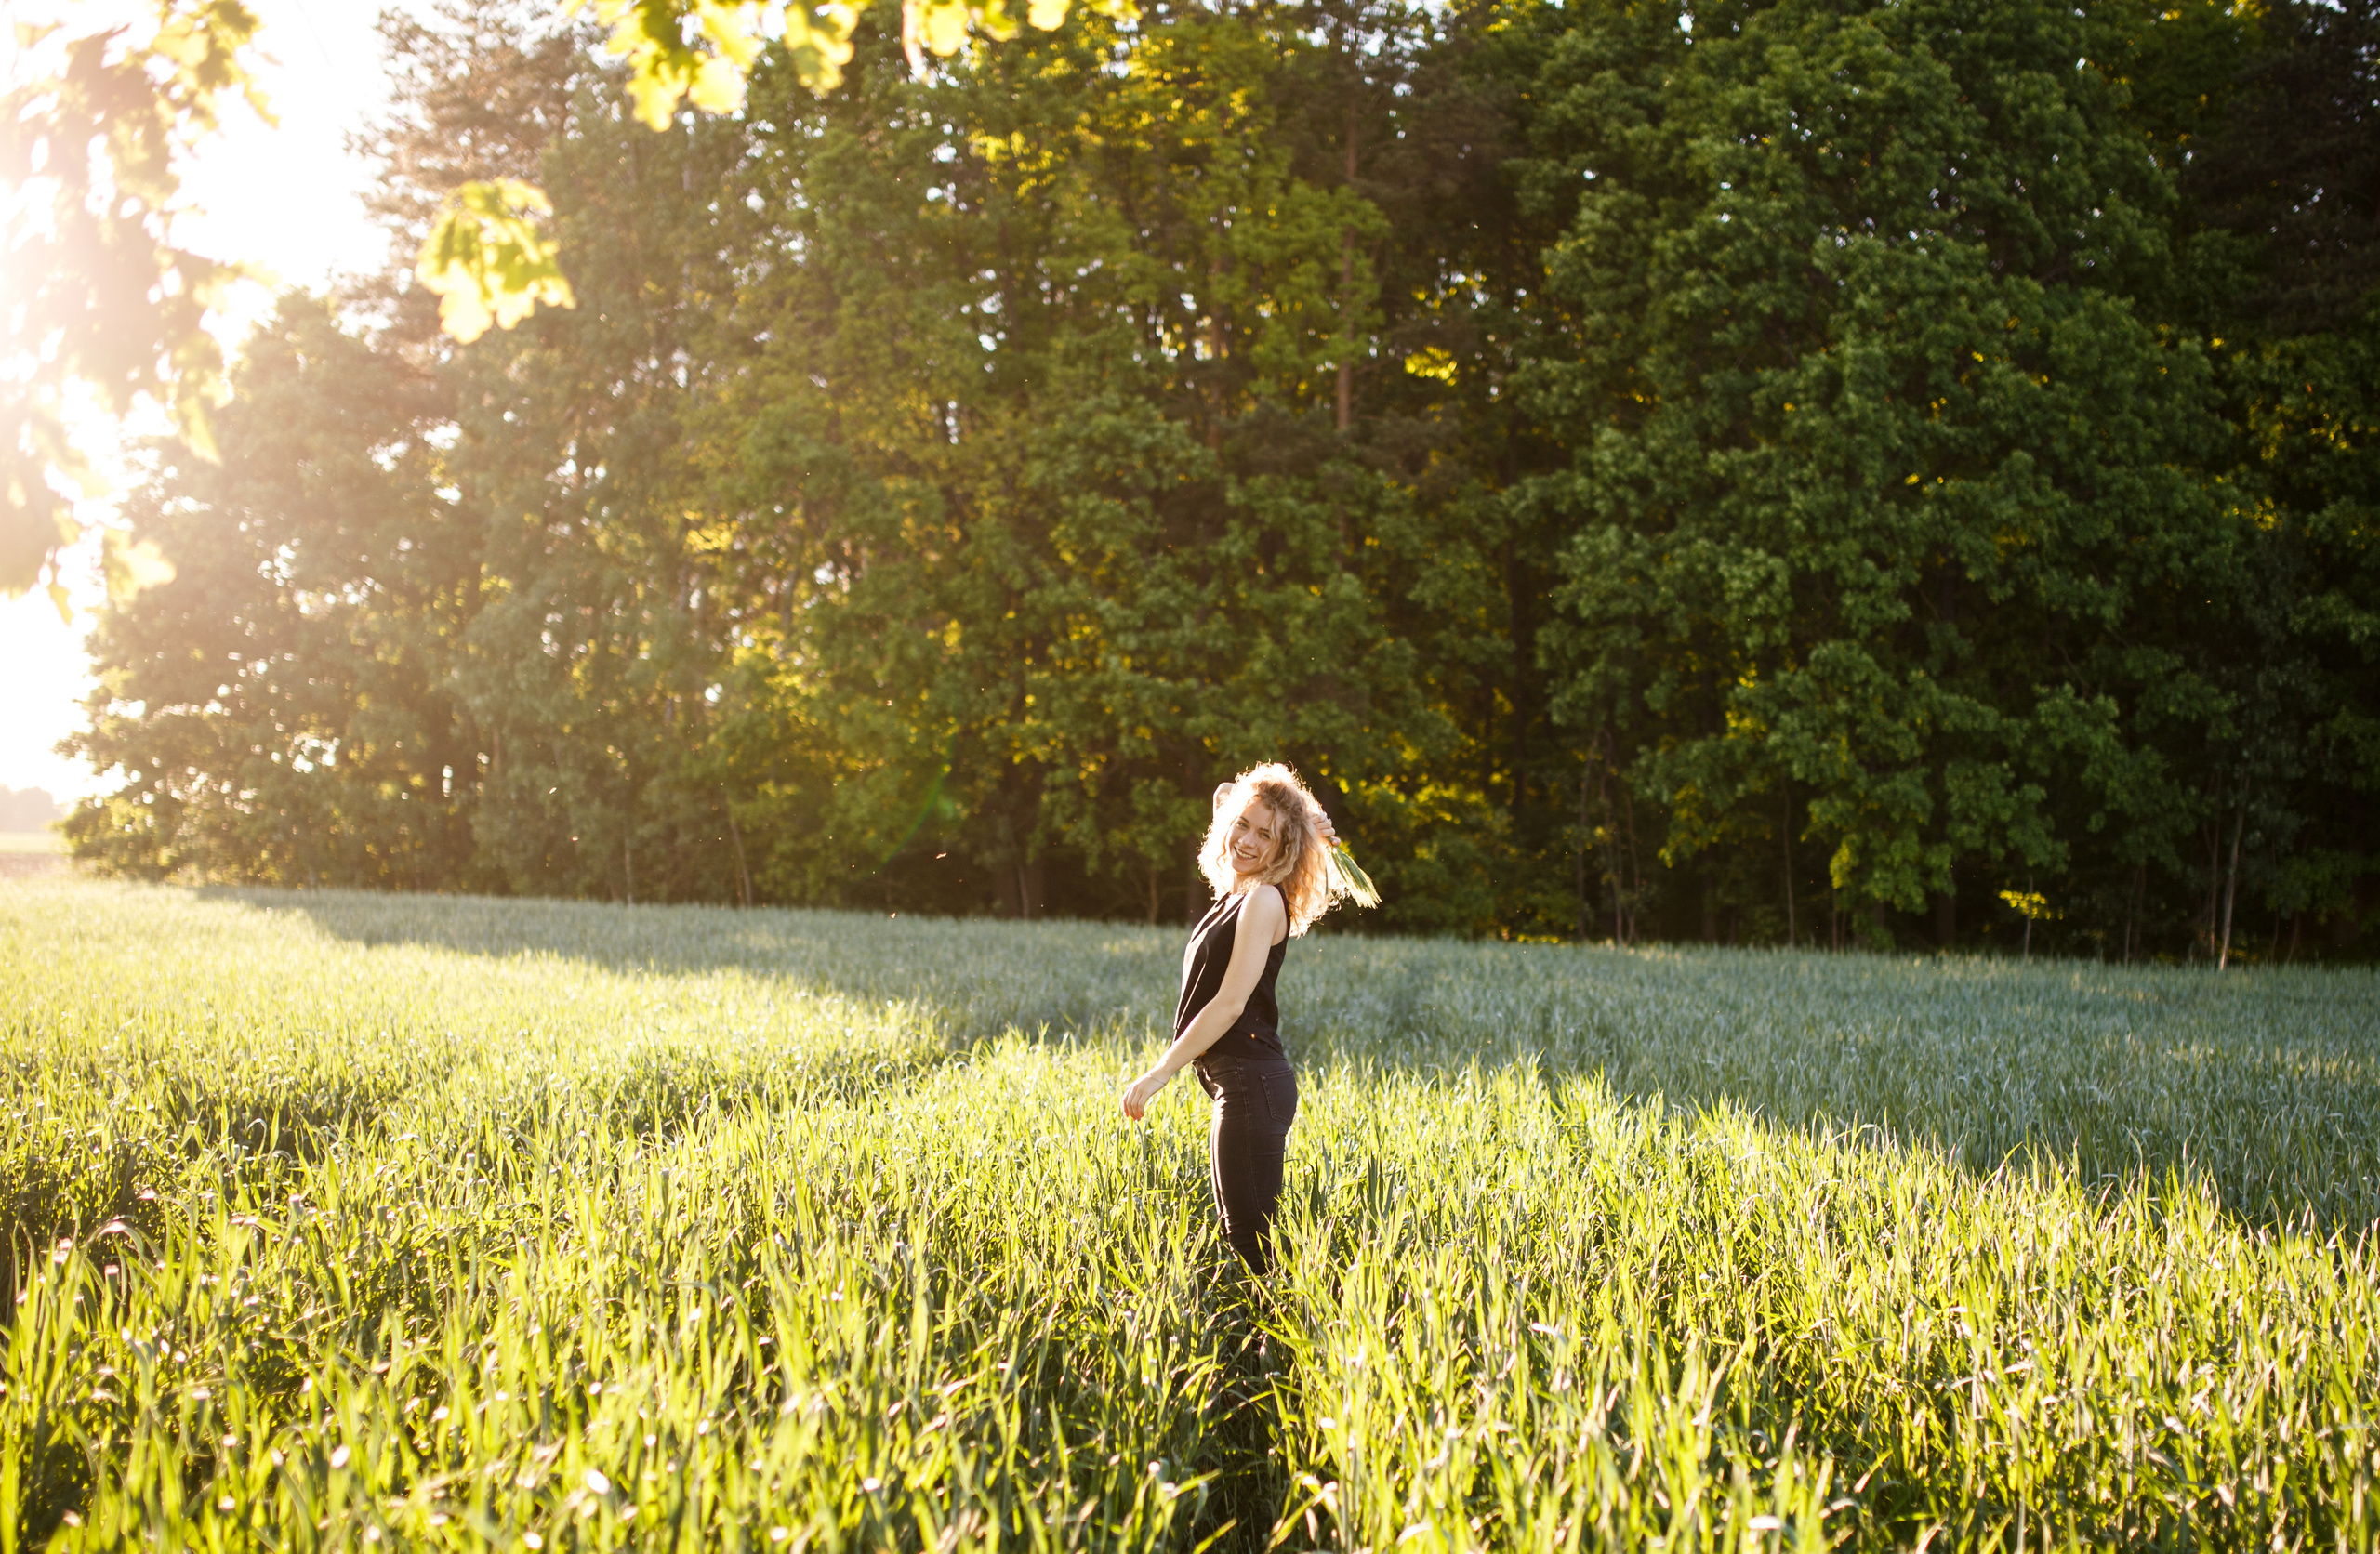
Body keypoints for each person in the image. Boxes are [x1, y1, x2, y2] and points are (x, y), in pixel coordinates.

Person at [1118, 763, 1350, 1275]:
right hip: (1241, 1083)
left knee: (1251, 1244)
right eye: (1241, 825)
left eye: (1265, 835)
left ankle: (1283, 1346)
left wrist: (1159, 1073)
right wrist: (1299, 812)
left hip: (1251, 1084)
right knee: (1245, 1235)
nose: (1245, 839)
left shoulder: (1265, 899)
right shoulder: (1238, 891)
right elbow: (1227, 792)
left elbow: (1228, 1005)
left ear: (1284, 850)